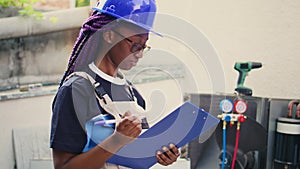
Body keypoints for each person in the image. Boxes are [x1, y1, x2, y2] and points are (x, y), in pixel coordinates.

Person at [50, 0, 180, 169]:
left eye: (143, 46)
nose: (139, 54)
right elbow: (63, 167)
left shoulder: (132, 94)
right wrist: (116, 141)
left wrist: (160, 154)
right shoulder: (76, 90)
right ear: (109, 34)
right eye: (135, 44)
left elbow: (137, 156)